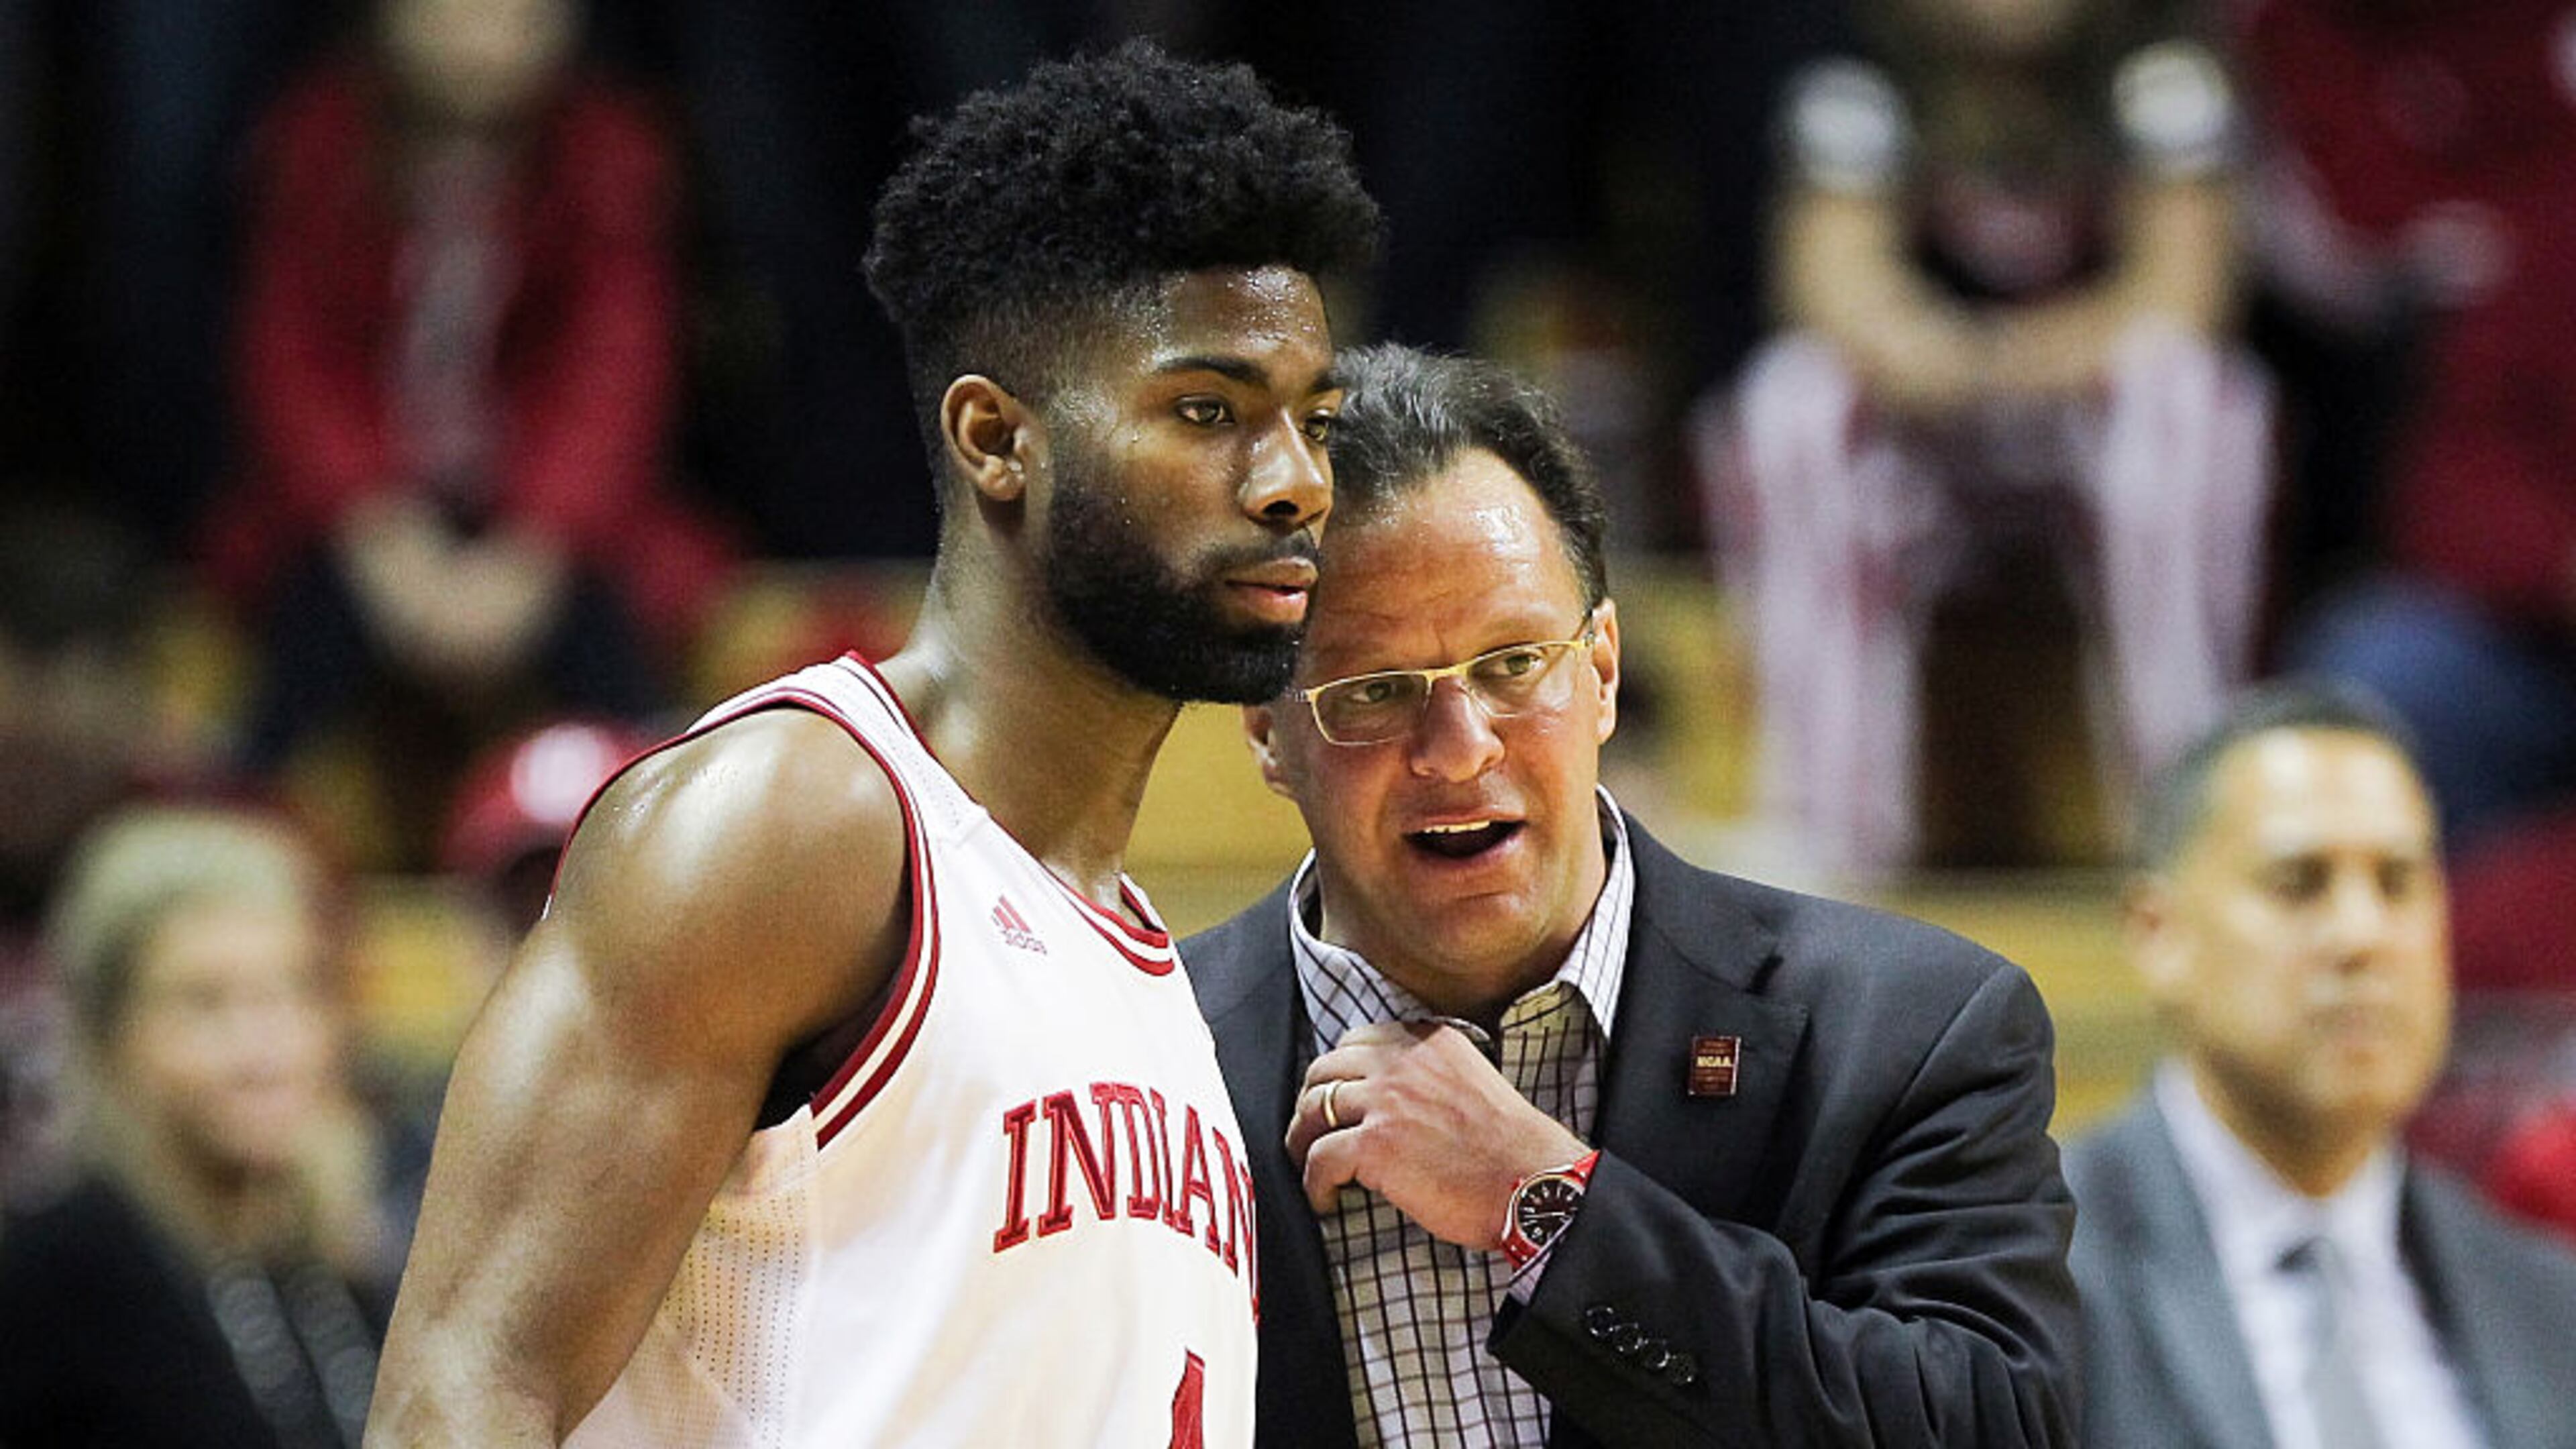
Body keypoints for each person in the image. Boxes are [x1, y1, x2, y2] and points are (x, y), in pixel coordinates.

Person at [366, 40, 1380, 1447]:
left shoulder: (1142, 961)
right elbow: (460, 1399)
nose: (1294, 484)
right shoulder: (793, 822)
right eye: (1207, 412)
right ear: (995, 439)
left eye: (1314, 423)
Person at [1185, 343, 2079, 1447]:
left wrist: (1548, 1201)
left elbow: (1988, 1427)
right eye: (1377, 691)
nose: (1460, 750)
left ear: (1601, 670)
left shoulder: (1911, 1032)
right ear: (1268, 731)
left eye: (1514, 664)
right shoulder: (1152, 1052)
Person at [1696, 0, 2271, 875]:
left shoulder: (2157, 77)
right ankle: (1827, 825)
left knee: (2190, 395)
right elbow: (1833, 286)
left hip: (2097, 436)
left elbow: (2180, 296)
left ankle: (2183, 807)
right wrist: (1946, 362)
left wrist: (2009, 358)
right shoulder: (1865, 82)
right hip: (1930, 440)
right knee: (1794, 401)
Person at [206, 0, 734, 863]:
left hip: (554, 528)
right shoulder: (318, 139)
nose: (484, 38)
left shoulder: (610, 152)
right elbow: (292, 356)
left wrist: (539, 541)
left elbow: (615, 363)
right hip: (358, 523)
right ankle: (240, 825)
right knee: (297, 634)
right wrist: (373, 527)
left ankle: (670, 835)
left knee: (617, 634)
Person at [2063, 680, 2576, 1449]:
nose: (2361, 936)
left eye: (2398, 883)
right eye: (2300, 883)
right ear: (2157, 933)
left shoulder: (2546, 1299)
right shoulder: (2030, 1274)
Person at [0, 804, 397, 1447]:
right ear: (110, 1034)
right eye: (204, 1003)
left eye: (290, 991)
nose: (260, 1050)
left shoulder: (341, 1265)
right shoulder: (54, 1276)